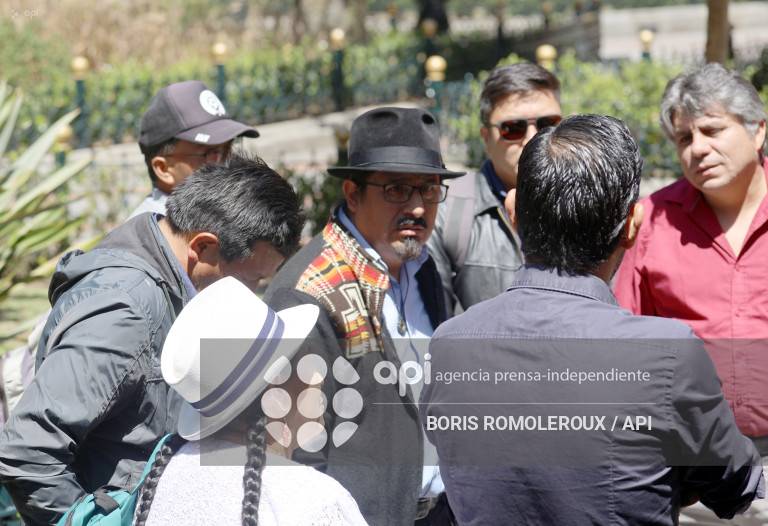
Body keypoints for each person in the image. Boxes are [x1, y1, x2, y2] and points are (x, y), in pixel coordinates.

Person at [420, 114, 764, 525]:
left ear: (514, 218)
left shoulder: (449, 344)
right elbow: (736, 485)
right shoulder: (666, 354)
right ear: (632, 226)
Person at [0, 153, 304, 525]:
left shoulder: (166, 275)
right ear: (203, 248)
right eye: (251, 280)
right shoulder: (127, 311)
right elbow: (29, 450)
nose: (252, 294)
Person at [612, 63, 768, 525]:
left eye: (712, 130)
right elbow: (621, 342)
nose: (698, 149)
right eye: (684, 138)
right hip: (693, 478)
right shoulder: (652, 221)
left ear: (758, 131)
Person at [264, 106, 464, 526]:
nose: (417, 207)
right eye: (396, 189)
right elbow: (295, 456)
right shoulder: (307, 293)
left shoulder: (422, 267)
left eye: (429, 189)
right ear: (353, 194)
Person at [132, 276, 369, 526]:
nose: (320, 377)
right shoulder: (312, 501)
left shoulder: (168, 474)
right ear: (277, 397)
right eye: (309, 362)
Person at [427, 61, 562, 313]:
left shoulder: (591, 207)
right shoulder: (446, 214)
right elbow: (435, 330)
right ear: (486, 138)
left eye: (547, 125)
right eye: (513, 129)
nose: (533, 139)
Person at [129, 80, 259, 219]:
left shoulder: (223, 213)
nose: (227, 163)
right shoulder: (151, 235)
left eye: (229, 148)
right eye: (212, 153)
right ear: (164, 169)